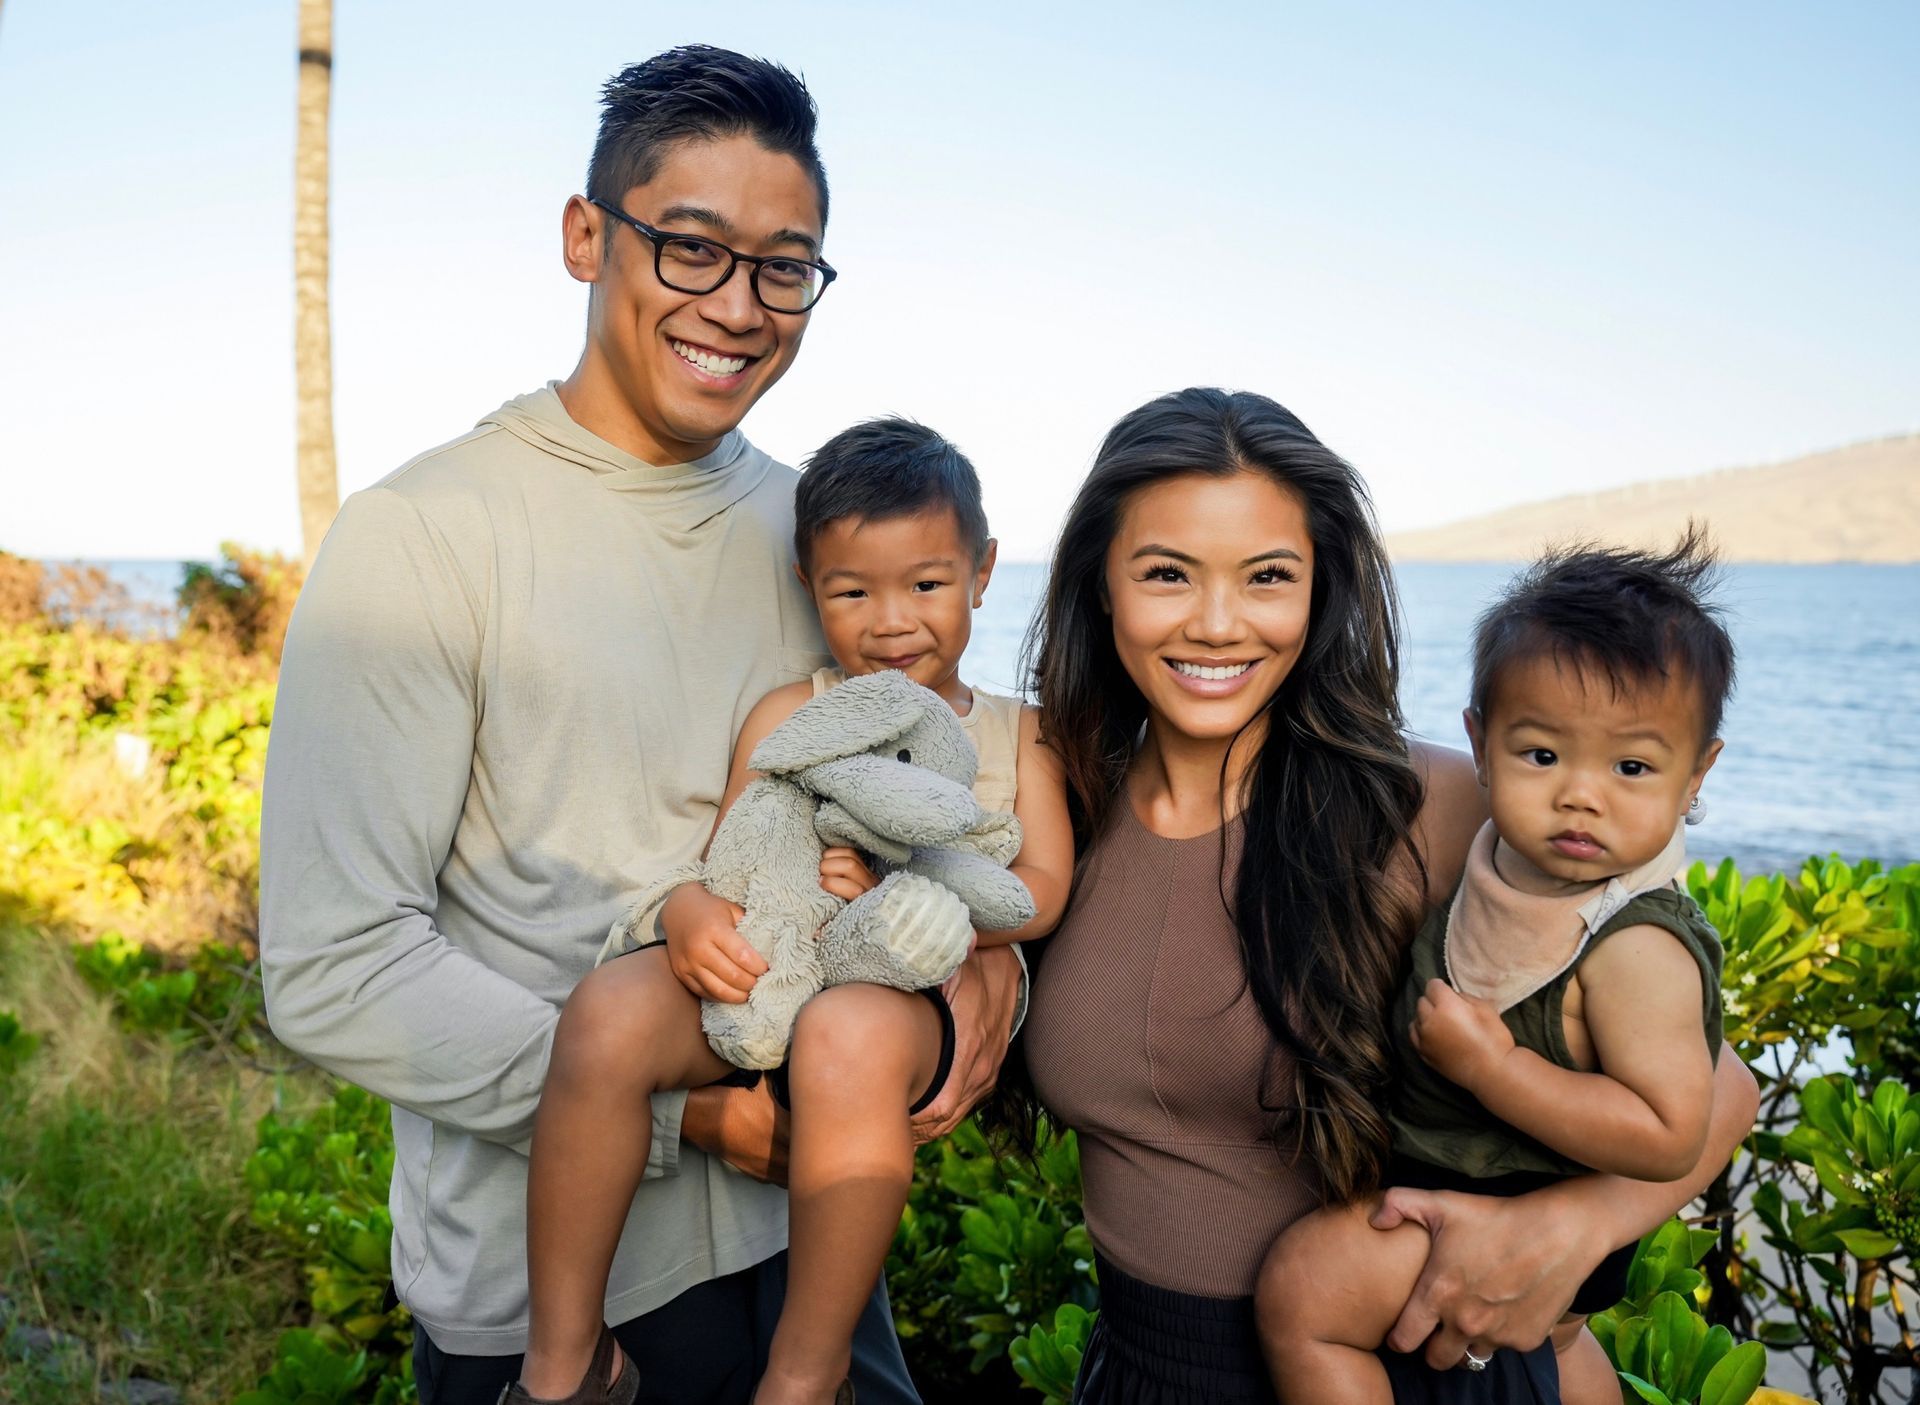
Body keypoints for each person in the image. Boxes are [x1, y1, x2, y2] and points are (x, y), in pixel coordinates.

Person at [258, 48, 1022, 1405]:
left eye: (785, 266)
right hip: (556, 1303)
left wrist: (985, 994)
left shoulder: (822, 538)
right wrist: (683, 1117)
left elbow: (929, 797)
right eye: (691, 249)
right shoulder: (423, 539)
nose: (739, 305)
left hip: (813, 1254)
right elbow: (337, 963)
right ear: (586, 236)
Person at [1016, 387, 1759, 1404]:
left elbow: (1719, 1087)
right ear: (1103, 584)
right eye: (1167, 574)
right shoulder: (1057, 807)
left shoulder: (1433, 807)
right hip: (1142, 1371)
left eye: (1268, 576)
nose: (1219, 622)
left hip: (1408, 1370)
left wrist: (1567, 1229)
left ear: (1320, 590)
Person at [512, 417, 1073, 1405]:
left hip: (913, 985)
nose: (892, 622)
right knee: (604, 1014)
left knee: (845, 1032)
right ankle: (567, 1363)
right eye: (851, 591)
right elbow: (736, 855)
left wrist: (920, 902)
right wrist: (688, 912)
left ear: (982, 571)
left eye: (927, 585)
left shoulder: (1019, 732)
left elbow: (1044, 888)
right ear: (809, 584)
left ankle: (806, 1378)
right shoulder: (790, 712)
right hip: (780, 962)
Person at [1257, 532, 1733, 1405]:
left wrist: (1496, 1067)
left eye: (1632, 766)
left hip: (1511, 1203)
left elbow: (1670, 1130)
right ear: (1479, 742)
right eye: (1542, 754)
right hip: (1465, 1177)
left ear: (1698, 772)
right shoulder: (1500, 863)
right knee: (1566, 1353)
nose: (1579, 794)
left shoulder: (1634, 944)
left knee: (1304, 1293)